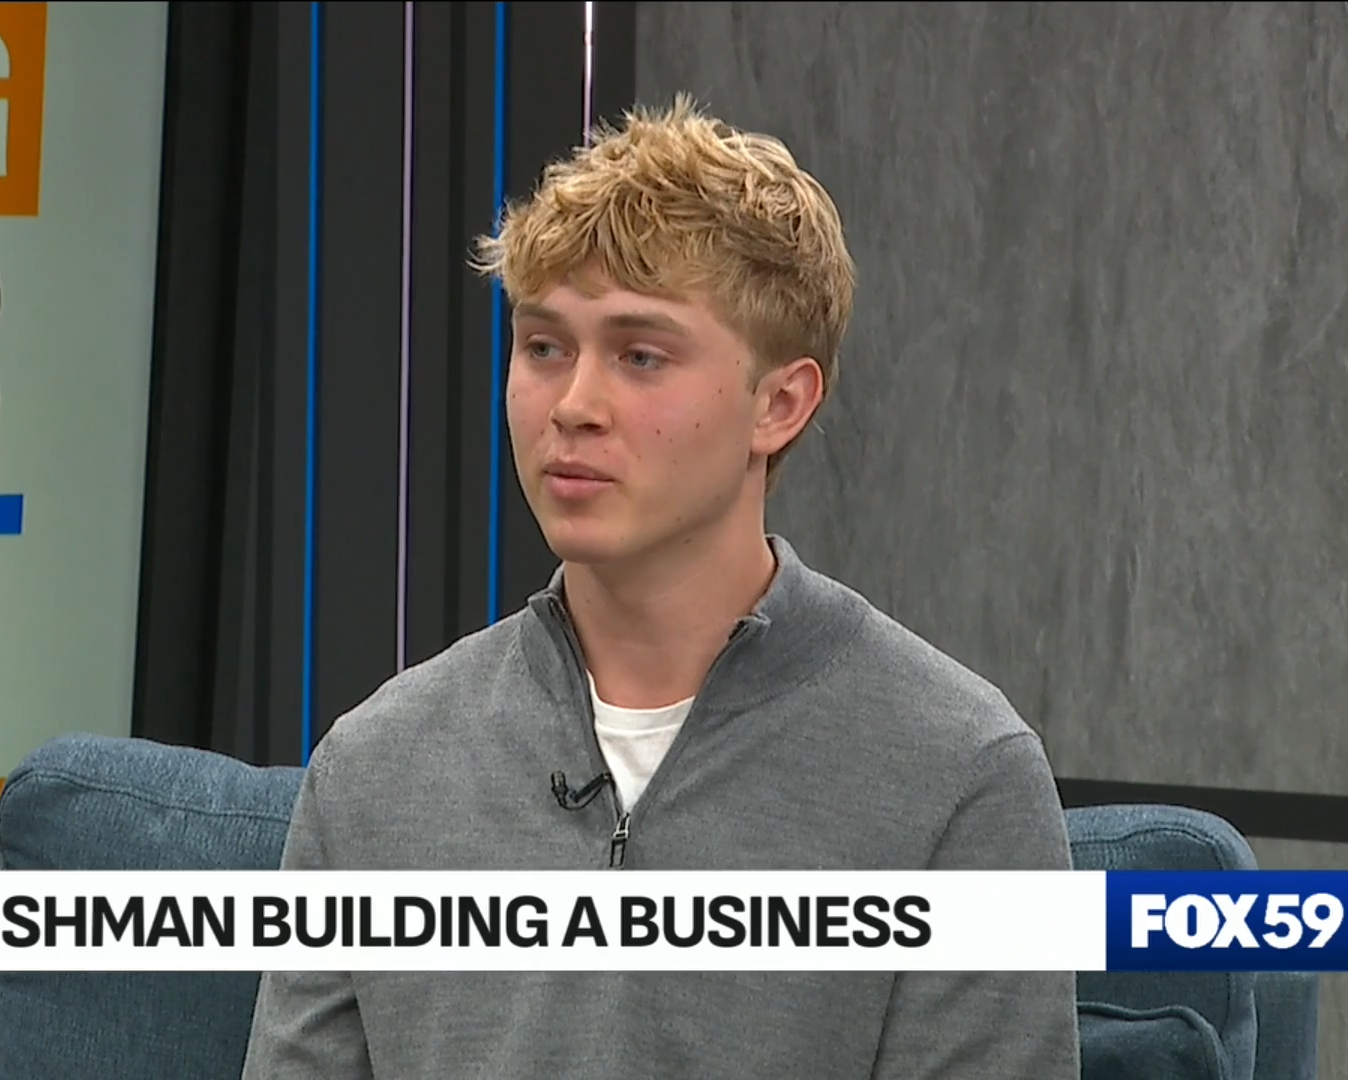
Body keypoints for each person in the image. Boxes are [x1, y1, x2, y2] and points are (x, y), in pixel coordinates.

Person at [240, 95, 1079, 1080]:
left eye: (640, 356)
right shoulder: (377, 769)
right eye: (545, 347)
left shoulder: (958, 778)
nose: (574, 406)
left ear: (779, 403)